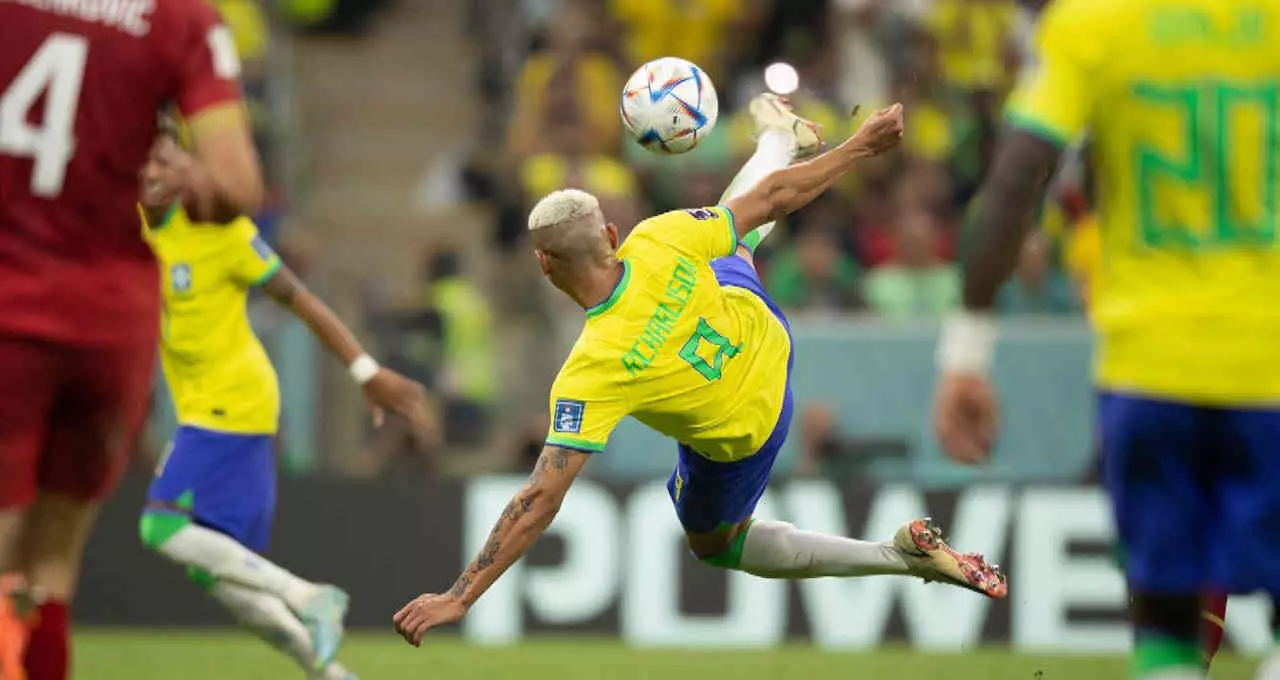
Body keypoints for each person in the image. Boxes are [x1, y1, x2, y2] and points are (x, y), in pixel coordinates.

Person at [393, 94, 1007, 644]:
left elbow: (540, 497)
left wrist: (459, 594)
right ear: (611, 233)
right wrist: (860, 146)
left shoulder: (589, 372)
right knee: (734, 234)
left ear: (544, 266)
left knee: (718, 544)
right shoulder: (659, 238)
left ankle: (896, 556)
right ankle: (777, 137)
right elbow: (773, 198)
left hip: (747, 428)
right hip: (762, 331)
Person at [931, 1, 1280, 678]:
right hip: (1269, 366)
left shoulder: (1096, 24)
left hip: (1147, 369)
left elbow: (1013, 181)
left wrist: (966, 352)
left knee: (1166, 627)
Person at [0, 2, 264, 678]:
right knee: (51, 565)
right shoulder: (181, 19)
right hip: (108, 323)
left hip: (8, 308)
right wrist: (184, 178)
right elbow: (236, 186)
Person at [135, 128, 434, 679]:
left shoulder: (223, 235)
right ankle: (332, 674)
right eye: (141, 161)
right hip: (199, 408)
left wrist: (365, 370)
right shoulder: (133, 231)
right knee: (222, 575)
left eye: (164, 160)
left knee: (161, 528)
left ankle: (310, 593)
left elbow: (304, 302)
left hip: (235, 402)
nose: (151, 172)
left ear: (187, 170)